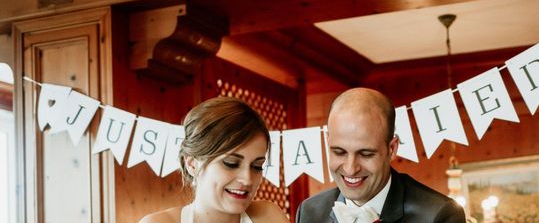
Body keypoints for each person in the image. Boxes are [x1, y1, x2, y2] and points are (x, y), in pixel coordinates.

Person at [296, 88, 466, 223]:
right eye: (339, 152)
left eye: (366, 154)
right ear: (327, 141)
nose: (350, 168)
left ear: (392, 149)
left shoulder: (439, 215)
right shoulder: (309, 213)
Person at [139, 96, 289, 223]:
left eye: (257, 166)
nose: (247, 179)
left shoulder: (268, 217)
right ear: (192, 164)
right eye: (231, 164)